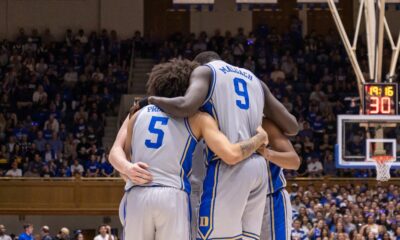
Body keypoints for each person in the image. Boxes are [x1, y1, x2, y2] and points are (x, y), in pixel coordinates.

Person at [109, 59, 268, 240]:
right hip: (172, 195)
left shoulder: (136, 114)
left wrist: (128, 170)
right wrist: (259, 138)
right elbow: (232, 155)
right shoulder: (198, 118)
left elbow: (122, 156)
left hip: (136, 195)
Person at [147, 52, 291, 239]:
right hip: (258, 169)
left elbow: (185, 105)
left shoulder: (204, 78)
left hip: (229, 166)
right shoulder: (255, 81)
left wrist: (149, 100)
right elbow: (292, 126)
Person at [258, 119, 301, 240]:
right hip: (239, 200)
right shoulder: (222, 122)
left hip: (270, 199)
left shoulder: (264, 123)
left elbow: (294, 161)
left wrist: (265, 152)